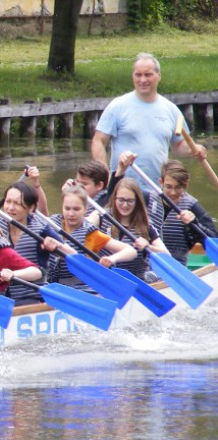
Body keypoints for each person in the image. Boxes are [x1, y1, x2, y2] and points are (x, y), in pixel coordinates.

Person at [91, 52, 207, 189]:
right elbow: (98, 141)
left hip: (157, 188)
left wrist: (195, 149)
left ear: (158, 76)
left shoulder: (171, 110)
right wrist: (105, 176)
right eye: (138, 75)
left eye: (148, 75)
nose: (143, 80)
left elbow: (178, 146)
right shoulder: (117, 106)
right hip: (123, 190)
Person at [44, 185, 138, 292]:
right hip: (55, 288)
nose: (71, 214)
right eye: (67, 208)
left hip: (84, 289)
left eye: (76, 209)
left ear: (85, 209)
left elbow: (131, 251)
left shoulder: (91, 234)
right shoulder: (52, 225)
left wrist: (112, 259)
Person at [88, 177, 169, 282]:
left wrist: (149, 247)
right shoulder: (101, 216)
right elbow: (83, 224)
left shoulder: (145, 225)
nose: (125, 205)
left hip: (137, 282)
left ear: (137, 201)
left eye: (130, 201)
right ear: (115, 198)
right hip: (107, 280)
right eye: (121, 200)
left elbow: (166, 254)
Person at [0, 181, 62, 305]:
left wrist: (56, 246)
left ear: (31, 208)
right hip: (1, 298)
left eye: (17, 204)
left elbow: (67, 253)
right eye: (8, 201)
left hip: (32, 297)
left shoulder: (41, 230)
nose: (10, 208)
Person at [156, 160, 218, 266]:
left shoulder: (193, 206)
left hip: (182, 267)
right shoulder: (150, 202)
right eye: (169, 186)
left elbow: (213, 239)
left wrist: (195, 224)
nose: (173, 192)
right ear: (161, 183)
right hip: (153, 267)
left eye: (178, 187)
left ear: (186, 184)